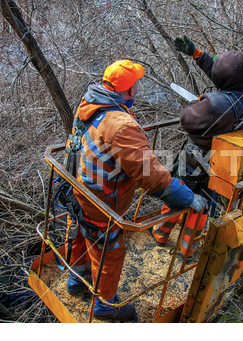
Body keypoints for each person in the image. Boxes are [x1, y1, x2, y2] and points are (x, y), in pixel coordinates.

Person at [63, 59, 208, 321]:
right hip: (102, 200)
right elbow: (150, 176)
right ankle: (106, 304)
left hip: (79, 188)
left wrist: (70, 180)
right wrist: (189, 198)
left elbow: (73, 145)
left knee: (81, 233)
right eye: (136, 85)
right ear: (130, 91)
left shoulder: (89, 105)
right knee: (110, 250)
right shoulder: (122, 126)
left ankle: (76, 281)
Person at [151, 36, 243, 257]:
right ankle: (188, 248)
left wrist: (199, 102)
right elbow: (226, 80)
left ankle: (161, 233)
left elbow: (186, 119)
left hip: (194, 157)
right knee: (205, 201)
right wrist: (198, 55)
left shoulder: (214, 105)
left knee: (178, 192)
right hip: (220, 160)